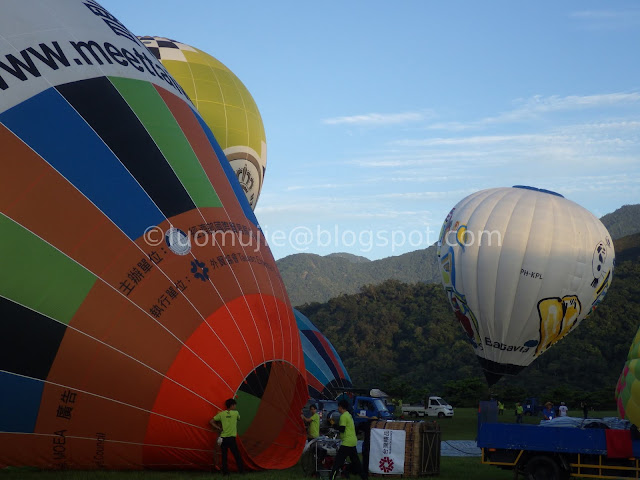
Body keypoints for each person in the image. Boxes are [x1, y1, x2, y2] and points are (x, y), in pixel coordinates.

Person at [211, 398, 244, 475]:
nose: (235, 406)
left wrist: (218, 428)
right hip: (231, 438)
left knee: (224, 456)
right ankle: (241, 471)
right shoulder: (236, 413)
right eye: (235, 405)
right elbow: (239, 418)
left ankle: (225, 472)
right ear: (232, 405)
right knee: (237, 455)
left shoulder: (221, 414)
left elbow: (211, 421)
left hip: (223, 438)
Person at [331, 399, 362, 480]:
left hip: (346, 443)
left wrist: (333, 424)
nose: (338, 409)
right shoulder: (349, 415)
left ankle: (332, 477)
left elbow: (342, 429)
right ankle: (364, 477)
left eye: (338, 407)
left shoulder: (343, 416)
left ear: (341, 407)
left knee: (337, 462)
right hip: (353, 441)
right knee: (356, 463)